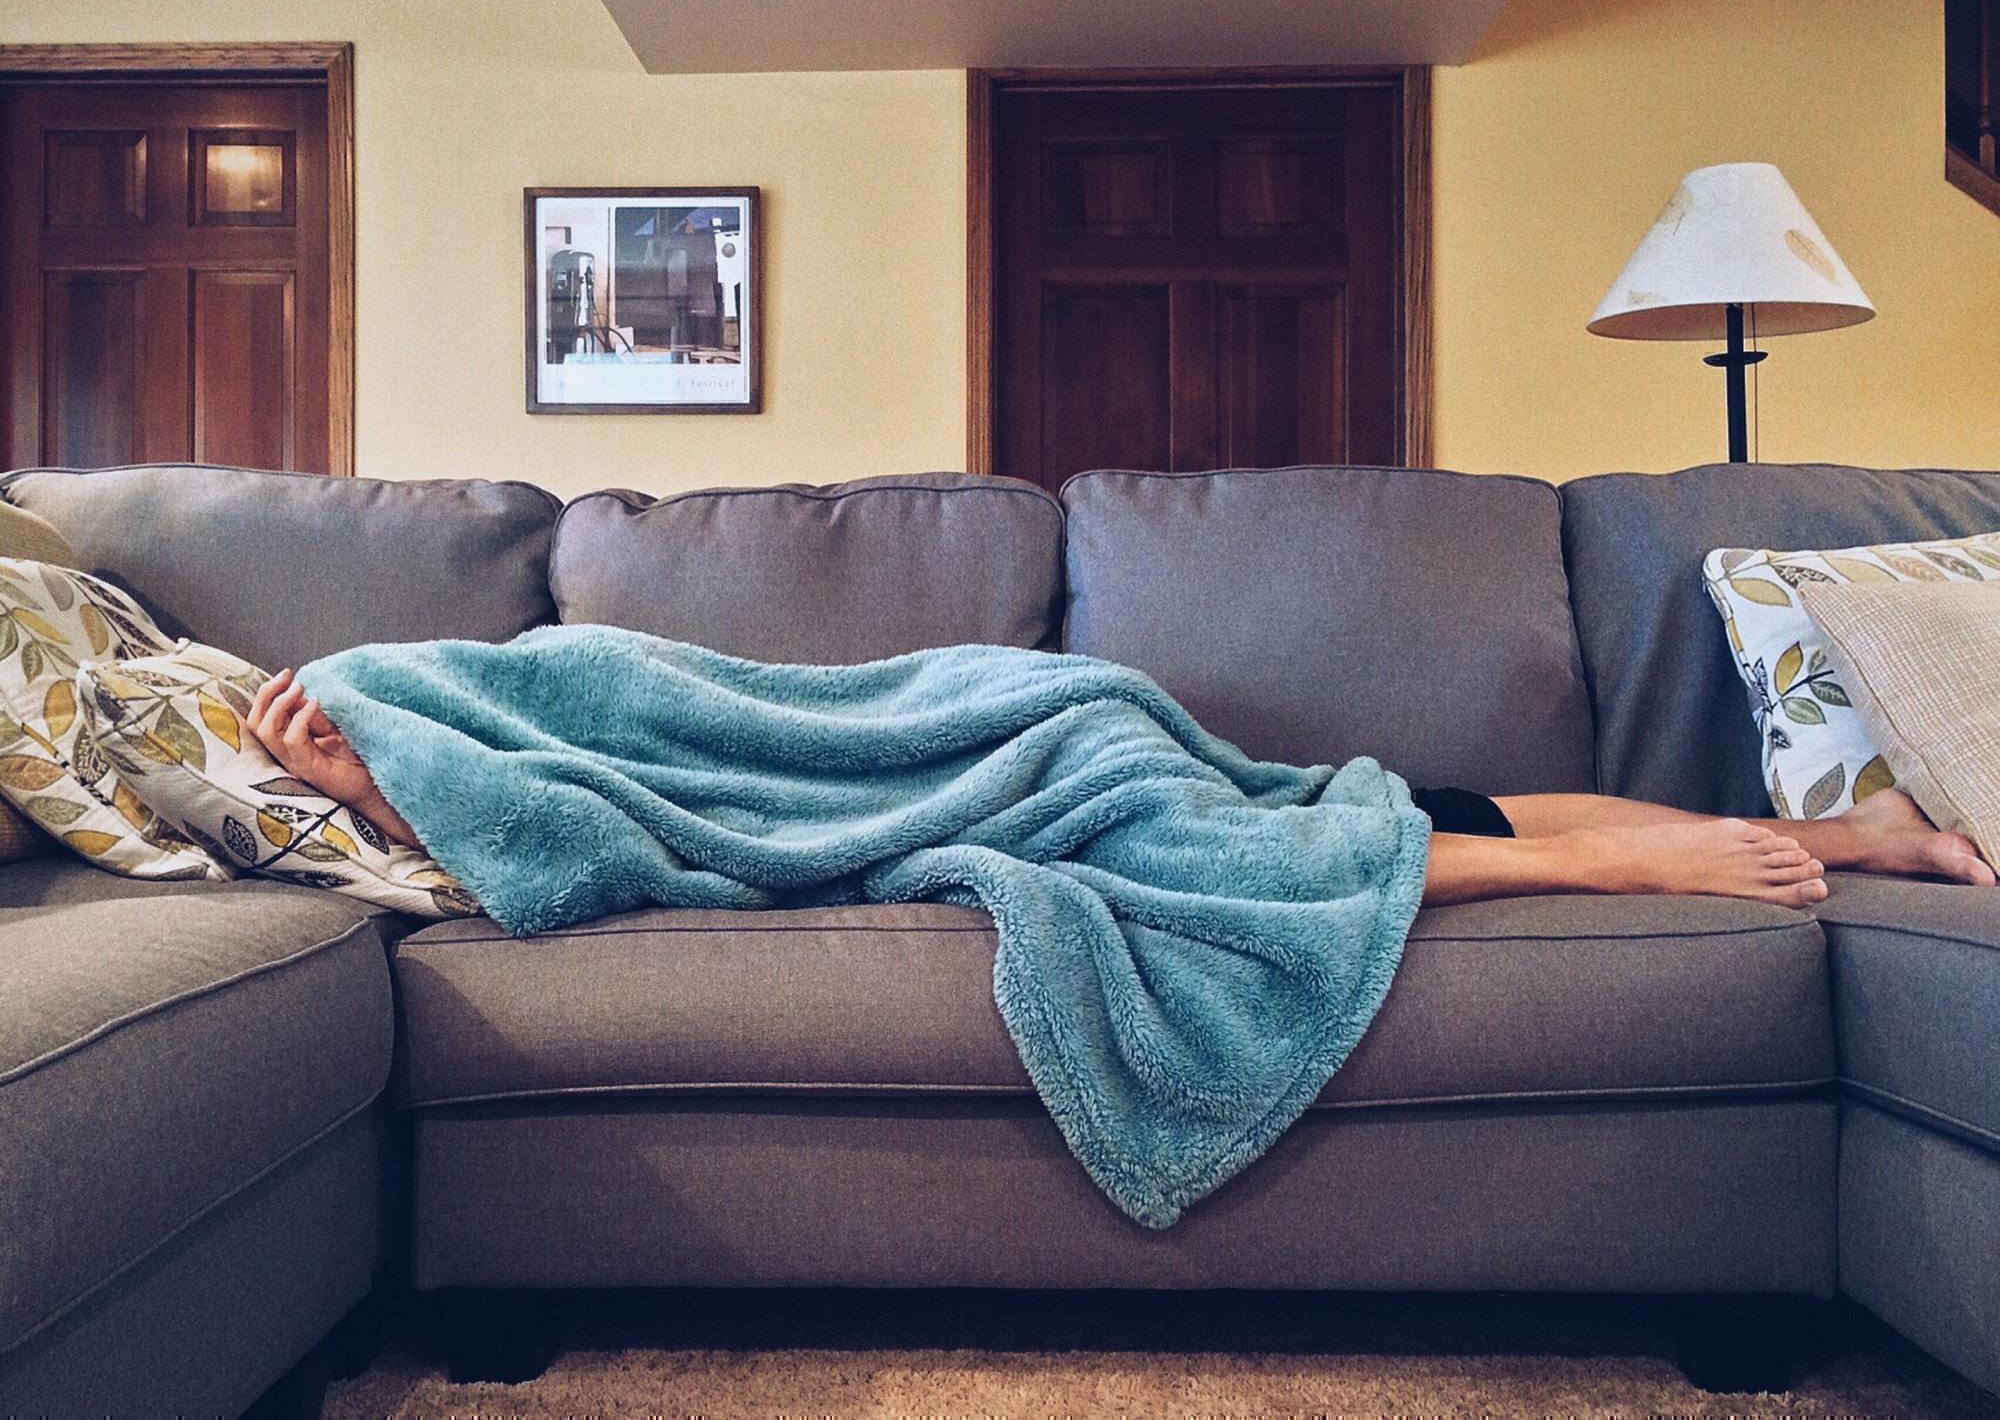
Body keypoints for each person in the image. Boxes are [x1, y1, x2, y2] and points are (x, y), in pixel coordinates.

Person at [245, 666, 1997, 911]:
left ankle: (1639, 869)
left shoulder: (473, 691)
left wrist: (379, 775)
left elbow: (615, 797)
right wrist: (382, 784)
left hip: (1043, 733)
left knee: (1246, 850)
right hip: (1058, 725)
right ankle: (1851, 833)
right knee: (1371, 805)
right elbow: (599, 819)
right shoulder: (446, 725)